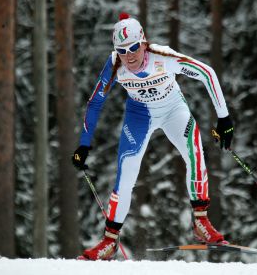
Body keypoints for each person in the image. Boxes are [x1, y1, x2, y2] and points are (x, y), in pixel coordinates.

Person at [72, 13, 234, 260]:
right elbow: (95, 102)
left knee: (195, 153)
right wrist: (84, 144)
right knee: (126, 176)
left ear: (144, 43)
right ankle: (109, 242)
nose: (130, 55)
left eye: (135, 47)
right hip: (140, 116)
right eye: (122, 50)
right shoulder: (115, 63)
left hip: (173, 110)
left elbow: (207, 73)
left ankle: (201, 222)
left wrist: (224, 118)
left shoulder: (163, 57)